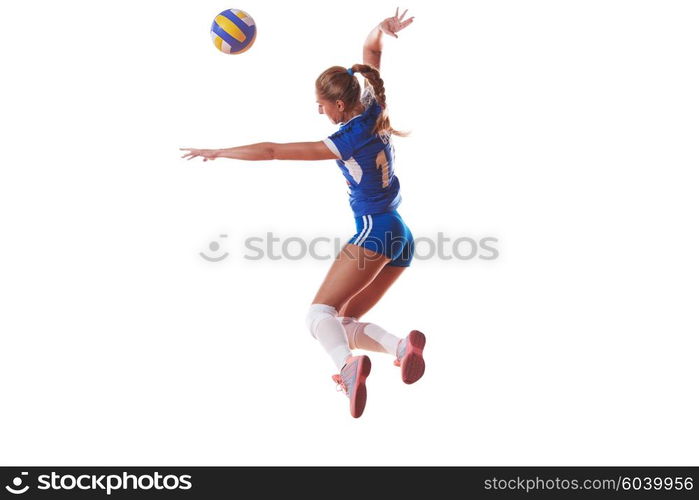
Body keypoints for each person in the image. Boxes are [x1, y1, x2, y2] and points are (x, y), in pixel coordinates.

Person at [181, 8, 424, 418]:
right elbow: (369, 49)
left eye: (321, 105)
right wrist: (381, 30)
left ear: (340, 104)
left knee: (317, 315)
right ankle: (401, 347)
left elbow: (272, 151)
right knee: (342, 322)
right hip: (400, 234)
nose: (319, 111)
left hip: (376, 229)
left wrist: (220, 151)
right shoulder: (372, 107)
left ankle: (348, 368)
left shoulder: (346, 140)